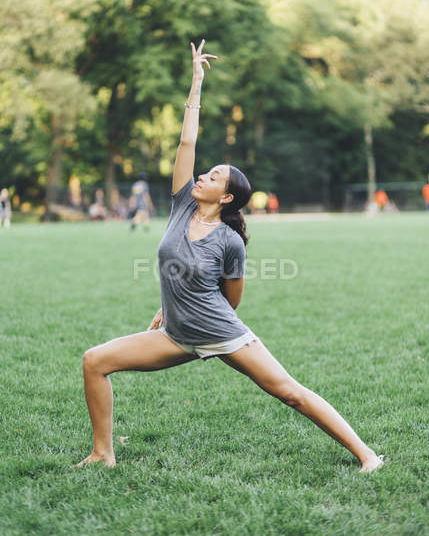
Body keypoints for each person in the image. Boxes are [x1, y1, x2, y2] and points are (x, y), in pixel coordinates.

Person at [77, 40, 384, 473]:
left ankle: (367, 454)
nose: (202, 175)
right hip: (175, 335)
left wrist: (202, 317)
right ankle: (102, 454)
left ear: (226, 196)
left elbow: (231, 299)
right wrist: (196, 83)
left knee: (290, 392)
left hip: (220, 332)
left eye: (213, 175)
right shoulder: (181, 203)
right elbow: (187, 140)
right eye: (205, 171)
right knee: (95, 360)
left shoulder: (229, 241)